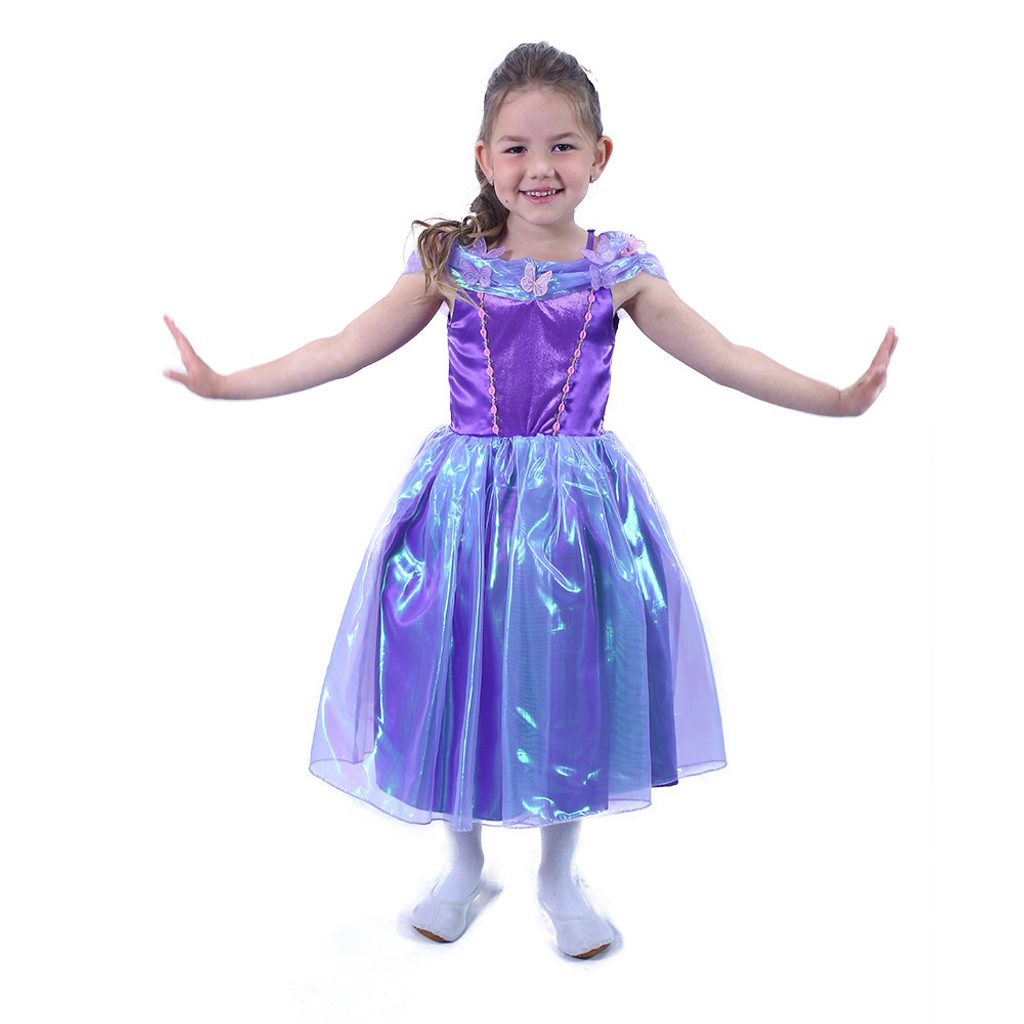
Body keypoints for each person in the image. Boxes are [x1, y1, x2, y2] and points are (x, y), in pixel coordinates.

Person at [162, 41, 898, 961]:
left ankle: (558, 874)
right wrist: (226, 384)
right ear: (483, 158)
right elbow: (345, 345)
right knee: (451, 669)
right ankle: (462, 862)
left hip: (573, 517)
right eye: (515, 147)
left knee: (565, 680)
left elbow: (725, 356)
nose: (538, 167)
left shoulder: (618, 266)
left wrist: (836, 398)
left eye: (561, 146)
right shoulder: (454, 261)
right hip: (464, 511)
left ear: (600, 156)